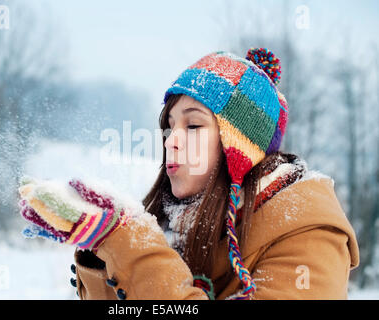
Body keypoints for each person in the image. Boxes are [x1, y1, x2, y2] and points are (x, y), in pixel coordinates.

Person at [19, 48, 359, 300]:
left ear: (240, 149)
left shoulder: (309, 234)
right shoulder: (175, 223)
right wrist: (105, 249)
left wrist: (133, 247)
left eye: (194, 125)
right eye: (169, 126)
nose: (172, 141)